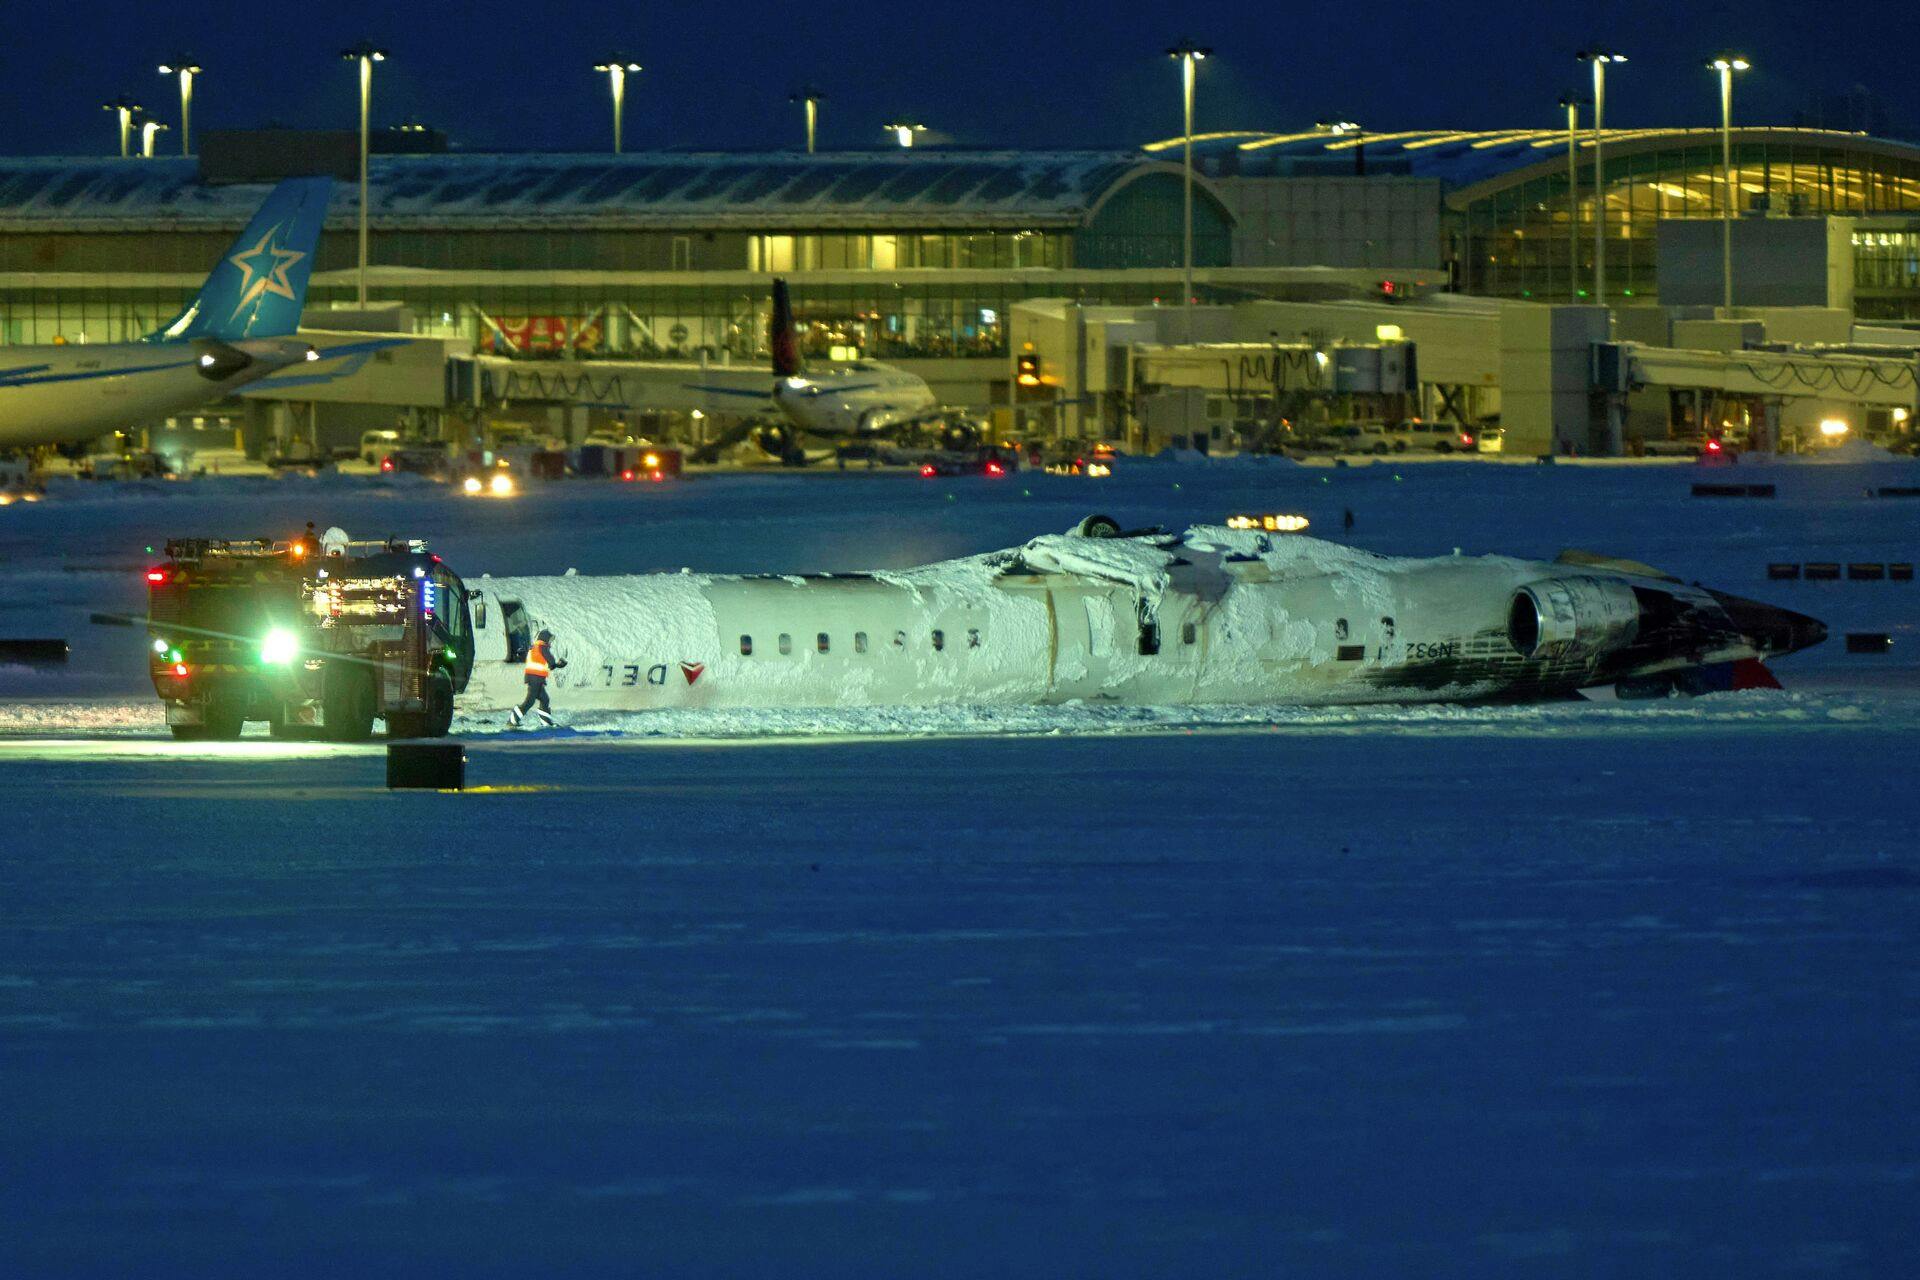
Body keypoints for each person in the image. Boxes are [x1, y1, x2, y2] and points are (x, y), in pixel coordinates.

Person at [508, 628, 566, 728]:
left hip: (533, 678)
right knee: (529, 702)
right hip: (536, 679)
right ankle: (513, 720)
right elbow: (551, 663)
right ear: (545, 639)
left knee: (544, 699)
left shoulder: (534, 647)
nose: (550, 641)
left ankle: (546, 723)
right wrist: (560, 664)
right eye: (549, 639)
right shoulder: (543, 647)